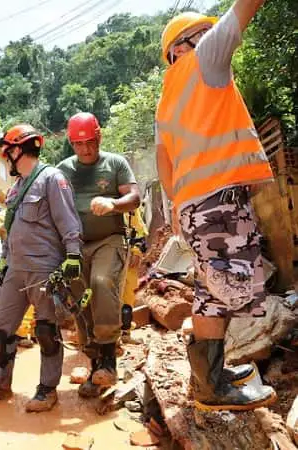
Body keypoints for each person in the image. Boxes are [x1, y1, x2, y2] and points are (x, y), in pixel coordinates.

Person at [156, 0, 276, 411]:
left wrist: (179, 207)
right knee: (222, 293)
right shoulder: (203, 59)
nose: (211, 37)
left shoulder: (167, 97)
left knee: (212, 291)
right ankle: (212, 390)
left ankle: (210, 378)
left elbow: (164, 162)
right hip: (218, 201)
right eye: (201, 34)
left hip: (195, 205)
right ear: (182, 46)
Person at [0, 124, 83, 412]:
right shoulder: (18, 187)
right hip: (16, 269)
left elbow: (69, 221)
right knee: (0, 332)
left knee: (46, 330)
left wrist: (73, 255)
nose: (6, 158)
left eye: (7, 152)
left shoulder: (52, 179)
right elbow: (12, 228)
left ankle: (47, 389)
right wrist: (4, 258)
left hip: (43, 268)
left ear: (19, 149)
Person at [56, 112, 141, 398]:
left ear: (99, 137)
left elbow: (134, 197)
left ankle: (109, 359)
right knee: (82, 300)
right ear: (71, 144)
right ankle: (96, 368)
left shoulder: (115, 163)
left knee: (102, 282)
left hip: (109, 238)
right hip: (75, 245)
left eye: (90, 143)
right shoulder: (64, 169)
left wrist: (114, 204)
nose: (85, 150)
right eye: (79, 145)